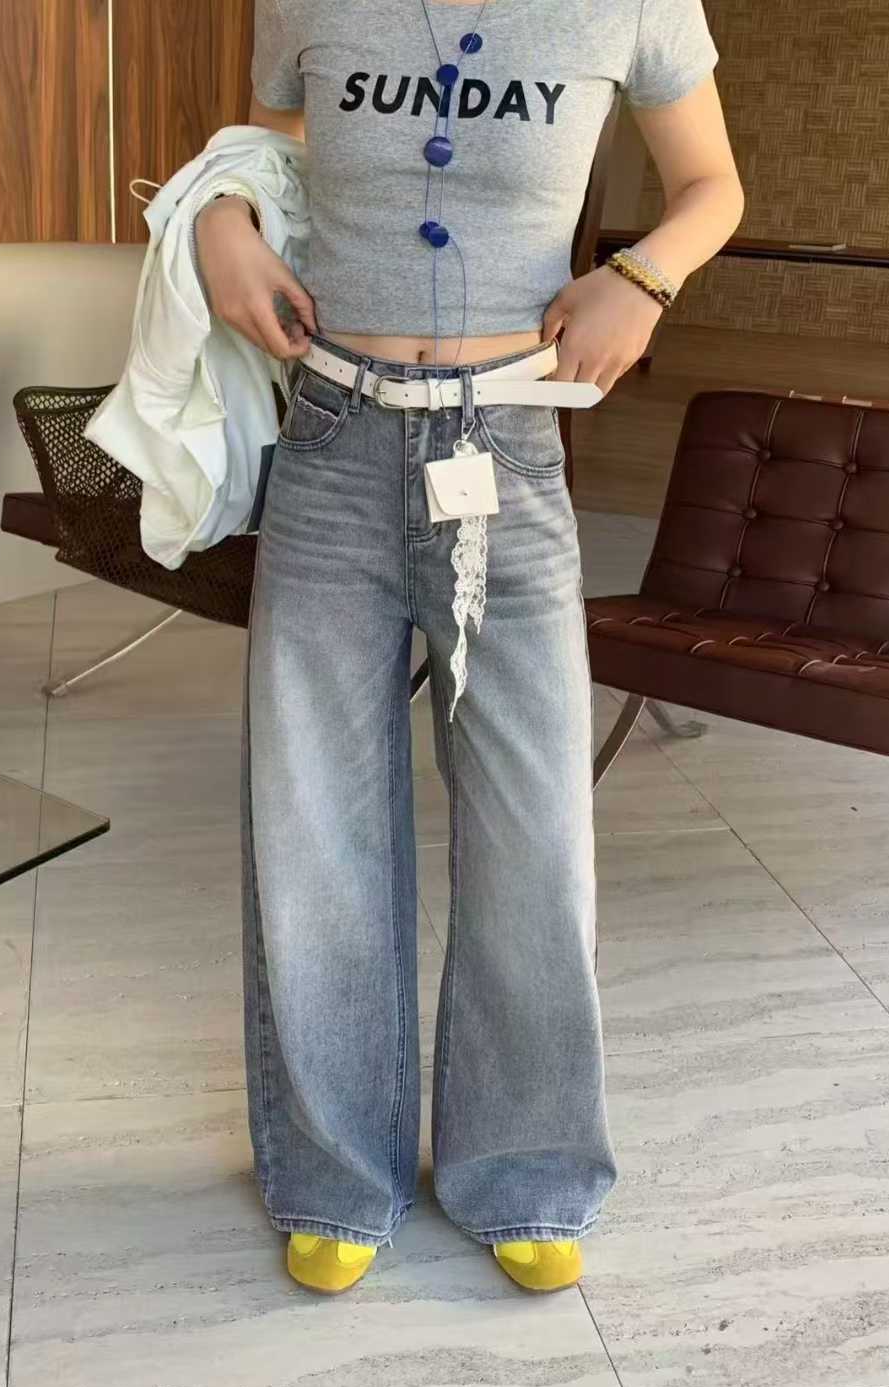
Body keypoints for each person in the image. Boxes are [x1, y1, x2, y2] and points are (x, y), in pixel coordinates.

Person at [196, 0, 743, 1295]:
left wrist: (643, 276)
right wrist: (221, 221)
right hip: (332, 445)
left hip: (509, 444)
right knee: (314, 824)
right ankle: (338, 1171)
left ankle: (527, 1165)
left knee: (533, 827)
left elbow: (712, 186)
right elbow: (266, 156)